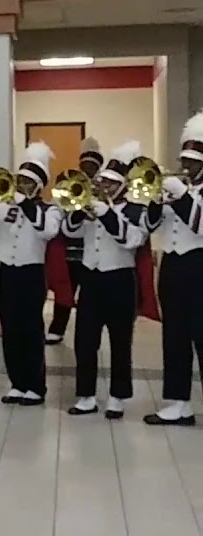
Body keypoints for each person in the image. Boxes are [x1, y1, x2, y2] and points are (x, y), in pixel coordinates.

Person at [61, 141, 149, 419]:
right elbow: (69, 233)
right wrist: (78, 210)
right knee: (85, 340)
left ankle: (117, 396)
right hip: (91, 280)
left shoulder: (135, 209)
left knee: (120, 341)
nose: (105, 187)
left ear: (122, 186)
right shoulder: (91, 204)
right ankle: (85, 395)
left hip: (120, 280)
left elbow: (132, 240)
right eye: (103, 182)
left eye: (111, 183)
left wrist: (108, 214)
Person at [0, 142, 62, 407]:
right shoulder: (7, 205)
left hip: (32, 273)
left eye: (28, 182)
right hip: (7, 271)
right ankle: (17, 383)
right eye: (20, 181)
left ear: (39, 186)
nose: (21, 186)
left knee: (31, 329)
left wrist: (26, 205)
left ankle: (36, 385)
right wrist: (2, 200)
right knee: (10, 328)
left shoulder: (49, 210)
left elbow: (47, 231)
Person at [144, 113, 203, 426]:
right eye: (185, 160)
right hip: (173, 266)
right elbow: (151, 226)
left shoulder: (191, 192)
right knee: (175, 338)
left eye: (193, 161)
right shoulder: (179, 189)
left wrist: (180, 196)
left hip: (200, 266)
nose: (186, 166)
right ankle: (178, 403)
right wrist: (156, 202)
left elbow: (200, 224)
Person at [49, 137, 102, 344]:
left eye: (91, 166)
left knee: (90, 296)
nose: (87, 168)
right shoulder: (70, 182)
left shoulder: (103, 186)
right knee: (64, 290)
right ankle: (57, 328)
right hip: (69, 249)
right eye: (84, 165)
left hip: (92, 251)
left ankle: (87, 330)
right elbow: (60, 207)